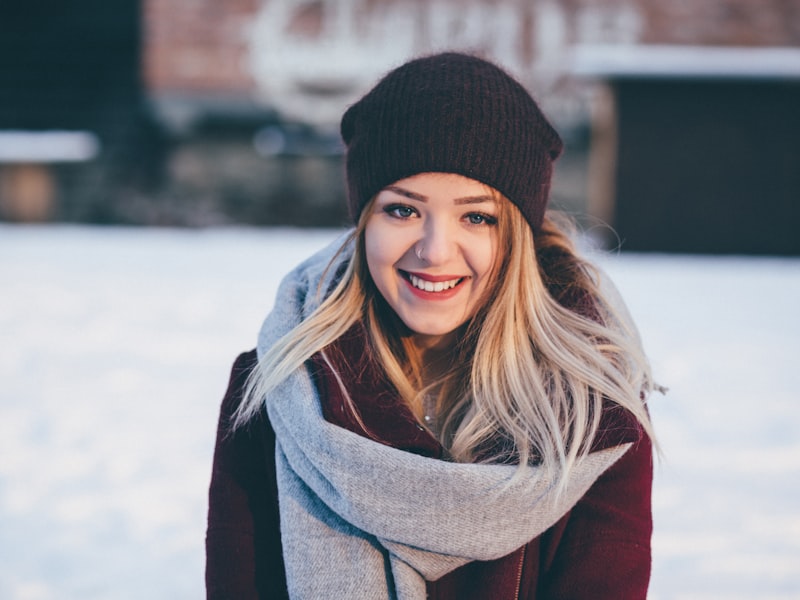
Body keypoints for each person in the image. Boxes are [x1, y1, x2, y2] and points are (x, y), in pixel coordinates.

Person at [205, 52, 659, 600]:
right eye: (402, 210)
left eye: (477, 216)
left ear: (515, 237)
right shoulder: (276, 389)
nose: (435, 251)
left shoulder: (593, 412)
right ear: (363, 220)